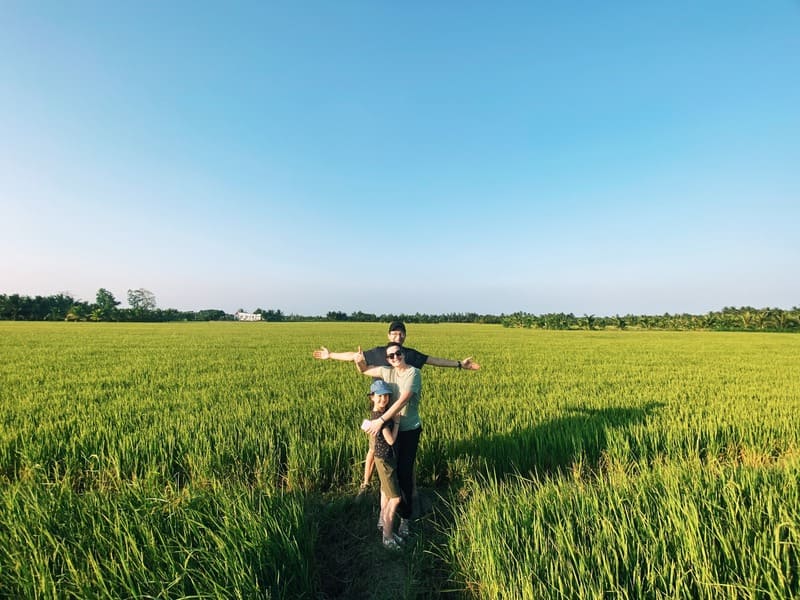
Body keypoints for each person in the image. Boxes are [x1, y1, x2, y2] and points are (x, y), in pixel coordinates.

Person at [313, 321, 480, 499]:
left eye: (401, 334)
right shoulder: (378, 352)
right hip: (381, 409)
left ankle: (410, 490)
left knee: (405, 456)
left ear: (405, 337)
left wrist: (460, 364)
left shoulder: (410, 355)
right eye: (394, 333)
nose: (398, 337)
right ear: (388, 336)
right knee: (373, 449)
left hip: (400, 413)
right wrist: (330, 355)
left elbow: (433, 360)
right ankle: (365, 484)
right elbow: (356, 357)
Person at [354, 343, 421, 536]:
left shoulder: (413, 373)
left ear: (404, 354)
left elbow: (403, 400)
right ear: (388, 359)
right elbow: (365, 370)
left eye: (398, 353)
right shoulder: (387, 372)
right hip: (391, 429)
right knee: (389, 478)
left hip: (408, 431)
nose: (395, 358)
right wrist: (359, 363)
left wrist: (382, 420)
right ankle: (385, 519)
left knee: (405, 475)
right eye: (391, 356)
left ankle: (404, 520)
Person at [363, 379, 404, 550]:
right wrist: (396, 422)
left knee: (385, 493)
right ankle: (387, 537)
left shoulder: (377, 415)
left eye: (386, 396)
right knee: (395, 498)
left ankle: (383, 525)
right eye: (379, 396)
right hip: (385, 459)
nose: (383, 399)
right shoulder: (380, 418)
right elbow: (390, 439)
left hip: (382, 458)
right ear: (372, 397)